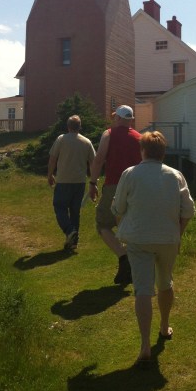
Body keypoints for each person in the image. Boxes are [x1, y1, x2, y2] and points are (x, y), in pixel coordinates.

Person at [111, 130, 195, 365]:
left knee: (143, 290)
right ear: (163, 152)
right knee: (165, 282)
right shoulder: (175, 175)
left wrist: (122, 226)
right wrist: (178, 234)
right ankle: (164, 325)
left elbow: (117, 207)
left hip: (138, 239)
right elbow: (188, 211)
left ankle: (145, 345)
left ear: (143, 150)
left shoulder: (130, 174)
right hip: (168, 239)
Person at [88, 105, 142, 284]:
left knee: (103, 224)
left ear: (118, 118)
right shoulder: (140, 138)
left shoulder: (108, 134)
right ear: (131, 120)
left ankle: (123, 257)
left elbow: (99, 158)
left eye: (114, 117)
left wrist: (93, 182)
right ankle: (134, 266)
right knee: (131, 225)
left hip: (114, 186)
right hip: (136, 187)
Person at [48, 115, 96, 251]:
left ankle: (69, 231)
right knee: (75, 212)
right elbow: (93, 162)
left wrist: (50, 174)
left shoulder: (61, 139)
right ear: (80, 127)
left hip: (63, 180)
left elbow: (53, 158)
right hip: (79, 182)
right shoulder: (87, 142)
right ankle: (74, 242)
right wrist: (93, 180)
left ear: (68, 126)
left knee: (59, 207)